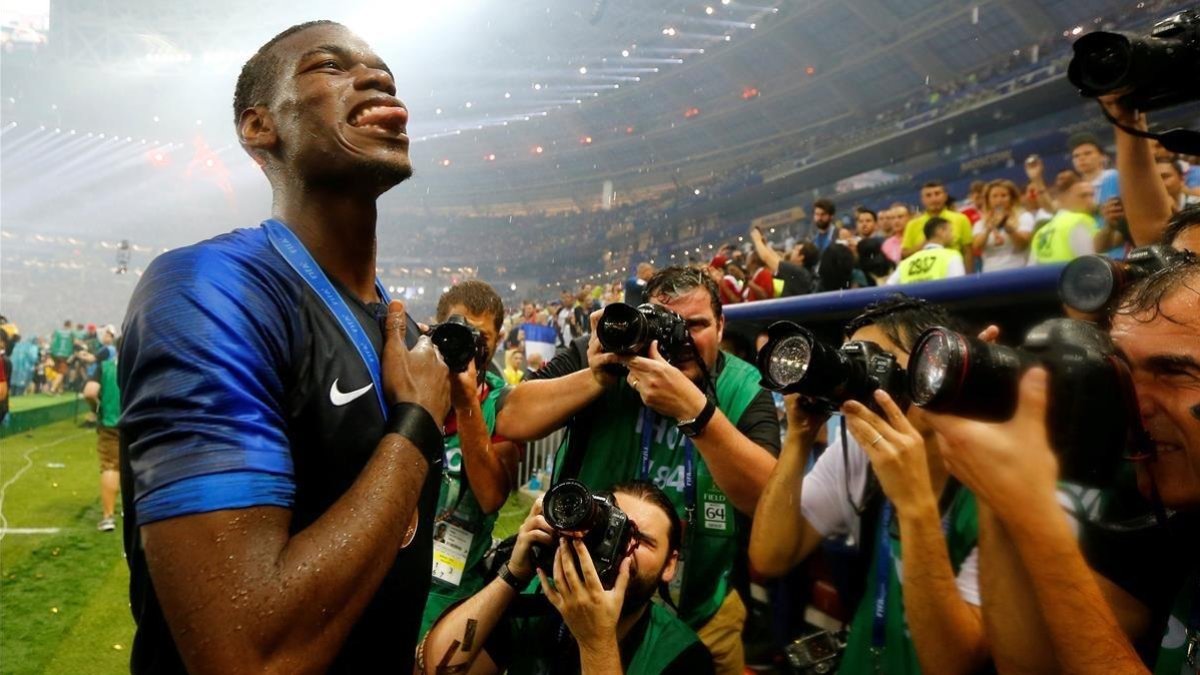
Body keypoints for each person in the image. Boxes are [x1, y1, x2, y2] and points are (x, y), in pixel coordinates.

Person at [118, 21, 451, 674]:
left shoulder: (404, 337)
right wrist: (414, 429)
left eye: (384, 72)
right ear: (259, 127)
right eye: (330, 65)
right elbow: (247, 653)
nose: (377, 78)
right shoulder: (210, 290)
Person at [495, 266, 780, 674]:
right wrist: (596, 378)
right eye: (666, 324)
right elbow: (510, 420)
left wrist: (696, 413)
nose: (680, 340)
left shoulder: (741, 384)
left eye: (695, 325)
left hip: (701, 611)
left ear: (721, 326)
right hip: (577, 598)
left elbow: (767, 499)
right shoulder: (608, 354)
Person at [924, 255, 1200, 674]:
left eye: (1174, 371)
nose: (1133, 406)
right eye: (1123, 374)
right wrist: (1000, 494)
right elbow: (1031, 664)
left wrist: (1036, 518)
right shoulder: (1157, 517)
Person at [749, 296, 986, 675]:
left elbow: (953, 664)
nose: (861, 380)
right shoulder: (861, 453)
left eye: (874, 361)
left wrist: (913, 506)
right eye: (852, 360)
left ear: (936, 364)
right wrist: (798, 439)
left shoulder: (992, 485)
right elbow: (769, 557)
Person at [420, 482, 714, 675]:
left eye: (642, 540)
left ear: (669, 564)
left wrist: (595, 642)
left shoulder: (682, 655)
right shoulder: (538, 602)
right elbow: (434, 670)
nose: (622, 550)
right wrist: (512, 575)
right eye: (611, 532)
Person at [420, 281, 523, 638]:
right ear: (437, 327)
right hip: (393, 577)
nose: (470, 343)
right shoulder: (409, 381)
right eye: (458, 328)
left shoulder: (501, 405)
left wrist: (466, 405)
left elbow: (492, 496)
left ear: (496, 341)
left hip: (456, 593)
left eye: (482, 336)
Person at [82, 326, 120, 532]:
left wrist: (97, 408)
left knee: (111, 467)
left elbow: (89, 392)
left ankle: (108, 517)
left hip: (110, 423)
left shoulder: (105, 367)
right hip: (139, 424)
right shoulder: (142, 367)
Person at [900, 181, 975, 272]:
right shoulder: (912, 225)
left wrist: (968, 278)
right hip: (925, 275)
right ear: (922, 199)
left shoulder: (961, 219)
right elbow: (904, 255)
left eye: (937, 194)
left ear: (945, 196)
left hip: (954, 272)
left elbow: (968, 252)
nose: (934, 198)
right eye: (928, 195)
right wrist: (924, 245)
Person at [1029, 173, 1099, 265]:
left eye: (1092, 195)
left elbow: (1031, 270)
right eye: (1083, 196)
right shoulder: (1080, 221)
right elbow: (1095, 265)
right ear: (1064, 198)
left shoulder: (1041, 232)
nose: (1090, 201)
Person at [972, 179, 1034, 272]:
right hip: (990, 273)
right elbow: (976, 247)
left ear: (1012, 198)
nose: (999, 200)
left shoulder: (1024, 217)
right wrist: (987, 230)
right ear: (988, 200)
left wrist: (1010, 230)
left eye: (1004, 196)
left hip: (1019, 270)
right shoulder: (980, 223)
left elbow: (1023, 245)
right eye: (994, 196)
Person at [887, 217, 966, 285]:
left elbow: (887, 288)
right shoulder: (952, 256)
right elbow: (959, 286)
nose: (953, 235)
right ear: (941, 231)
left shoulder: (906, 262)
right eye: (950, 231)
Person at [748, 225, 816, 297]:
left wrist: (757, 240)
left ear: (801, 257)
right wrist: (764, 244)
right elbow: (778, 260)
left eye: (795, 249)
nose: (792, 251)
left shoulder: (798, 272)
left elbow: (767, 258)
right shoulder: (803, 272)